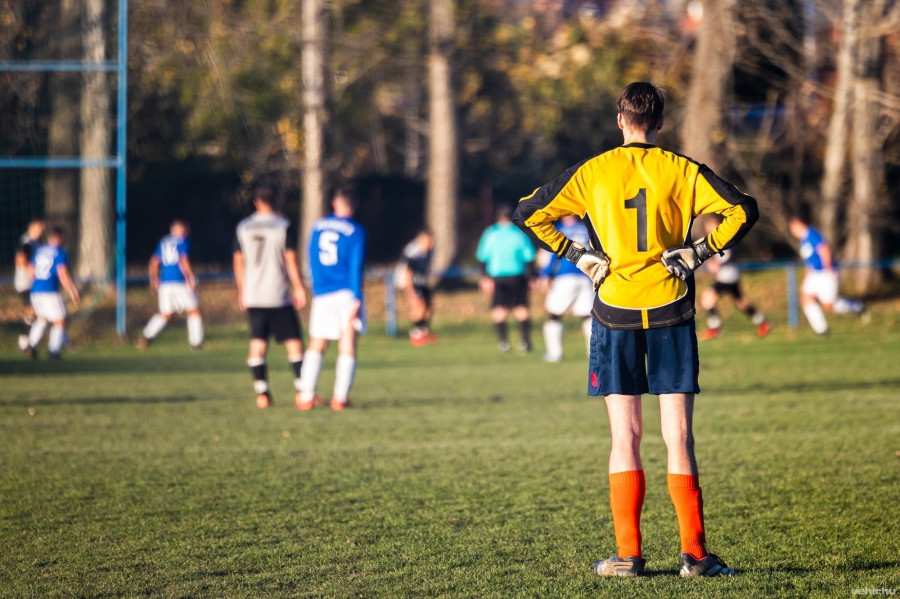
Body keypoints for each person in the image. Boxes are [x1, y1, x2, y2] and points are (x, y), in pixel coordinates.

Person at [514, 82, 758, 577]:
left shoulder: (593, 171)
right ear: (660, 123)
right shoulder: (682, 169)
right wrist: (700, 252)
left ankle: (628, 555)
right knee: (680, 436)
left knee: (624, 435)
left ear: (620, 119)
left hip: (615, 310)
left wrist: (578, 256)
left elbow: (528, 214)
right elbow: (744, 209)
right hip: (670, 307)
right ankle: (694, 555)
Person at [233, 182, 307, 409]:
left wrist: (242, 290)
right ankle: (302, 392)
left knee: (257, 343)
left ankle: (262, 394)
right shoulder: (283, 225)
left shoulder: (244, 227)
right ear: (276, 202)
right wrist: (299, 286)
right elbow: (290, 259)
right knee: (294, 343)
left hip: (254, 295)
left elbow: (238, 261)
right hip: (277, 294)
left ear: (256, 202)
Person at [297, 186, 367, 411]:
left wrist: (316, 287)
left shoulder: (318, 226)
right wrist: (357, 297)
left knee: (317, 343)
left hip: (323, 292)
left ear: (335, 203)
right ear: (354, 205)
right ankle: (340, 398)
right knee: (347, 342)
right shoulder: (355, 231)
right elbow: (356, 266)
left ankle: (306, 396)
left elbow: (311, 258)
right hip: (346, 291)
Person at [788, 216, 865, 335]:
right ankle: (821, 329)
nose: (793, 231)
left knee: (829, 305)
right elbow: (809, 262)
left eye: (793, 227)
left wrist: (829, 270)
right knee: (806, 298)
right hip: (814, 274)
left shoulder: (812, 235)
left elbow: (825, 251)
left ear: (800, 223)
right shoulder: (803, 241)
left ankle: (856, 306)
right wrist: (805, 279)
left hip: (825, 272)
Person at [697, 215, 770, 340]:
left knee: (707, 299)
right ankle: (762, 322)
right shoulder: (713, 239)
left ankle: (715, 328)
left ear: (718, 224)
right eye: (707, 225)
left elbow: (728, 257)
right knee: (741, 303)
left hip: (727, 276)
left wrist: (717, 265)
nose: (708, 228)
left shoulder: (724, 237)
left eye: (711, 224)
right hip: (729, 275)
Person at [476, 205, 537, 353]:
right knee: (521, 307)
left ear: (497, 218)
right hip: (517, 274)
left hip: (497, 275)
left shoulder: (490, 233)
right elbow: (529, 256)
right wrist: (533, 276)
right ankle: (524, 341)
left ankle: (503, 342)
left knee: (499, 308)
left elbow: (482, 256)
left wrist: (485, 277)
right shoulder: (519, 233)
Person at [137, 220, 204, 349]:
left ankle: (147, 336)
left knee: (166, 313)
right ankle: (196, 343)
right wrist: (190, 277)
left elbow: (154, 262)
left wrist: (154, 279)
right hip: (179, 282)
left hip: (165, 283)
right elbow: (183, 260)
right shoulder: (183, 241)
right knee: (193, 310)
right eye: (183, 230)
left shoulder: (164, 242)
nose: (184, 232)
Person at [538, 215, 595, 362]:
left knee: (553, 314)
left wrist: (545, 274)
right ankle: (593, 352)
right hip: (585, 277)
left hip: (565, 277)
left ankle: (554, 353)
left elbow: (552, 255)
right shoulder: (587, 230)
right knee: (587, 315)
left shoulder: (560, 231)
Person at [25, 227, 80, 359]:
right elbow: (63, 274)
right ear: (59, 237)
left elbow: (30, 271)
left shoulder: (39, 251)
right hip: (50, 291)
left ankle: (32, 345)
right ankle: (53, 351)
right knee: (60, 321)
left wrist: (36, 283)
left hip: (35, 290)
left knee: (42, 319)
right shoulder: (60, 253)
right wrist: (72, 289)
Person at [395, 229, 439, 346]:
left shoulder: (430, 250)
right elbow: (407, 272)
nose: (431, 243)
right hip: (407, 281)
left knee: (428, 306)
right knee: (418, 305)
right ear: (420, 239)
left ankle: (423, 332)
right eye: (428, 240)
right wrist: (410, 291)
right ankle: (416, 335)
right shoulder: (413, 251)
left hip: (420, 280)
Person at [14, 219, 45, 352]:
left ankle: (28, 342)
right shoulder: (26, 242)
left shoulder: (37, 243)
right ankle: (24, 341)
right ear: (32, 229)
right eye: (40, 229)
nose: (42, 232)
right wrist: (30, 271)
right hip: (25, 283)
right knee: (31, 311)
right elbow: (20, 260)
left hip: (35, 284)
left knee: (38, 313)